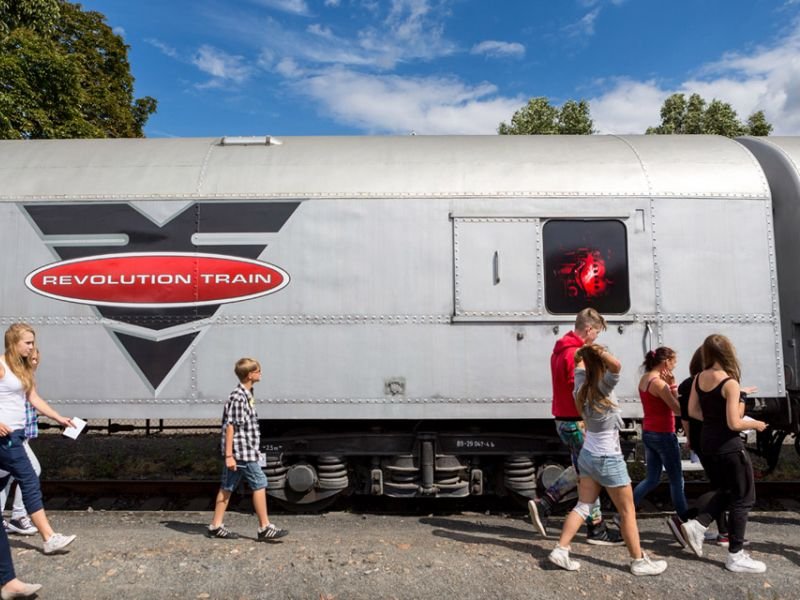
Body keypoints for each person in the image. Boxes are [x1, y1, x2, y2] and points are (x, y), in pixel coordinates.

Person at [547, 344, 667, 576]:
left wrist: (585, 354)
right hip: (609, 459)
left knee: (583, 506)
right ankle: (638, 561)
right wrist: (596, 351)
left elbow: (580, 366)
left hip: (588, 456)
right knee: (627, 511)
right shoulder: (603, 387)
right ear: (601, 364)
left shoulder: (580, 387)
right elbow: (617, 365)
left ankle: (561, 549)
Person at [529, 308, 622, 545]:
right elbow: (578, 390)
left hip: (563, 419)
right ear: (589, 329)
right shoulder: (575, 354)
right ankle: (596, 529)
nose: (596, 338)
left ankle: (546, 504)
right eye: (596, 332)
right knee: (590, 475)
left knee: (582, 469)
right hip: (576, 420)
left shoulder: (560, 350)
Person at [681, 334, 767, 573]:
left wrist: (713, 418)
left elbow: (692, 411)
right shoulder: (730, 382)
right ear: (728, 352)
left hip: (708, 443)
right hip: (729, 445)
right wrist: (756, 424)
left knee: (727, 490)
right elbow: (734, 423)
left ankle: (699, 524)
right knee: (744, 498)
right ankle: (735, 555)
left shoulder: (699, 377)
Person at [0, 323, 76, 555]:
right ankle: (49, 537)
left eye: (33, 342)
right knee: (29, 479)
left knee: (4, 480)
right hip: (6, 437)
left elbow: (34, 398)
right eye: (28, 343)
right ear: (13, 343)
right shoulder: (1, 365)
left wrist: (58, 418)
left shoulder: (21, 368)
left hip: (17, 434)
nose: (32, 347)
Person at [207, 357, 288, 542]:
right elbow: (231, 426)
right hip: (242, 452)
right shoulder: (238, 397)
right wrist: (229, 455)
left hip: (243, 450)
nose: (261, 373)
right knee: (260, 483)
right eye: (258, 370)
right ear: (250, 374)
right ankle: (264, 527)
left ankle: (216, 526)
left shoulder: (246, 394)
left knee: (227, 486)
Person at [631, 347, 690, 546]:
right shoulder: (659, 384)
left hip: (649, 432)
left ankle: (625, 513)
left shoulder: (644, 379)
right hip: (664, 434)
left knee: (652, 478)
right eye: (674, 361)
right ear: (665, 363)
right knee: (676, 480)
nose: (675, 365)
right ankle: (684, 522)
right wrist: (673, 385)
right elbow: (677, 409)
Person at [1, 348, 41, 536]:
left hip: (20, 437)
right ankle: (18, 515)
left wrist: (58, 418)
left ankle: (14, 516)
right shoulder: (14, 380)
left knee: (6, 475)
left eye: (36, 359)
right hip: (11, 437)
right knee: (31, 472)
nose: (34, 362)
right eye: (31, 359)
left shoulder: (25, 380)